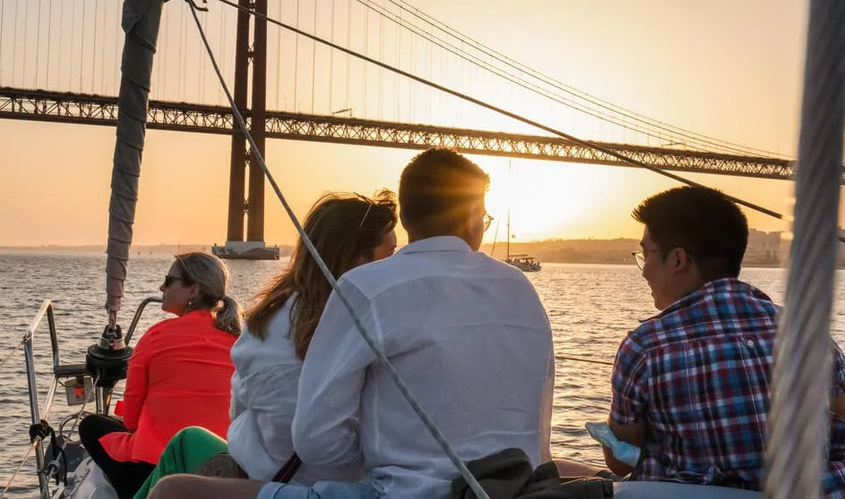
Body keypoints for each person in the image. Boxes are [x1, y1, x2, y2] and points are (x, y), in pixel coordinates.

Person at [149, 147, 555, 499]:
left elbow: (314, 441)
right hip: (516, 490)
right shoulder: (522, 290)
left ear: (409, 216)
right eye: (483, 219)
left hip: (398, 494)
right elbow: (540, 442)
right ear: (470, 214)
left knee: (172, 491)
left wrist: (387, 453)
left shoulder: (363, 289)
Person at [133, 192, 398, 498]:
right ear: (358, 258)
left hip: (275, 482)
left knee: (181, 453)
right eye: (390, 255)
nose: (397, 265)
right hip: (342, 483)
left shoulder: (270, 320)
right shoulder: (381, 323)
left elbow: (241, 412)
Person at [603, 185, 845, 495]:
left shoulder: (644, 347)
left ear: (678, 260)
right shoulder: (807, 334)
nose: (644, 271)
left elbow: (621, 462)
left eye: (646, 254)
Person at [79, 252, 241, 499]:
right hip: (219, 464)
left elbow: (132, 418)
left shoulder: (156, 336)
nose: (161, 287)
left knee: (90, 425)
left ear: (193, 291)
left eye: (169, 280)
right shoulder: (238, 342)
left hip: (155, 464)